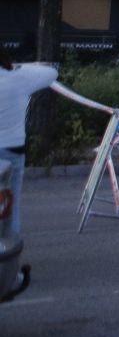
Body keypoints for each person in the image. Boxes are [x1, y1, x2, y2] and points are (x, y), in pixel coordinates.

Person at [0, 49, 57, 238]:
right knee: (10, 208)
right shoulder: (19, 78)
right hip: (12, 151)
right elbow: (51, 73)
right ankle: (9, 260)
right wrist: (17, 67)